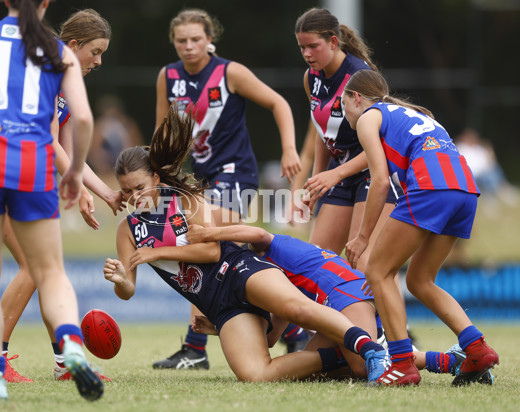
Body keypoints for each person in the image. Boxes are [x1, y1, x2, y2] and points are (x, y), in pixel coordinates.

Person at [103, 105, 390, 383]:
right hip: (218, 305)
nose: (133, 197)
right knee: (255, 374)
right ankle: (340, 356)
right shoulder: (127, 230)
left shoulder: (183, 199)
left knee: (297, 310)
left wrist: (156, 252)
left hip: (238, 269)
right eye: (126, 190)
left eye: (139, 188)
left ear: (155, 178)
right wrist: (120, 280)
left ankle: (371, 349)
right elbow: (127, 290)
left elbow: (210, 250)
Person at [0, 0, 103, 401]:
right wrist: (76, 172)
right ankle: (72, 349)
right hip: (31, 166)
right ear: (46, 4)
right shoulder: (59, 50)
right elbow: (82, 120)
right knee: (50, 271)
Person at [0, 8, 118, 383]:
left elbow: (69, 149)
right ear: (73, 45)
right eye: (96, 52)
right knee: (36, 269)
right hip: (0, 174)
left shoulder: (62, 77)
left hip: (21, 177)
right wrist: (76, 183)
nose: (99, 61)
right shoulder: (47, 66)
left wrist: (105, 193)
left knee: (45, 271)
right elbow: (48, 138)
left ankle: (63, 363)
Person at [153, 8, 303, 368]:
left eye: (195, 39)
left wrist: (288, 149)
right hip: (200, 178)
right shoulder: (168, 76)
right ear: (174, 43)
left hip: (237, 173)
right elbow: (162, 131)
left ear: (209, 39)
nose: (188, 47)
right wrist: (158, 176)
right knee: (226, 254)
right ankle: (293, 327)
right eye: (181, 41)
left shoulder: (228, 72)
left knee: (201, 241)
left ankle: (195, 347)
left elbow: (278, 103)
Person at [342, 69, 499, 386]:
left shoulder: (368, 117)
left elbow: (380, 180)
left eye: (343, 103)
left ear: (356, 98)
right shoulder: (412, 113)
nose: (344, 112)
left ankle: (402, 364)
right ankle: (477, 349)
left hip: (431, 188)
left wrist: (361, 238)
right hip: (465, 191)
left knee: (377, 271)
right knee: (419, 280)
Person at [185, 223, 494, 383]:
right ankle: (448, 360)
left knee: (361, 365)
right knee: (310, 370)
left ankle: (445, 360)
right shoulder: (275, 280)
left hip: (346, 292)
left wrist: (211, 233)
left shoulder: (268, 251)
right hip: (342, 299)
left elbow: (255, 232)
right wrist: (215, 328)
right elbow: (271, 337)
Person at [291, 8, 402, 272]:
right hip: (340, 176)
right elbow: (323, 132)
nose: (307, 54)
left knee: (364, 263)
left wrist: (334, 174)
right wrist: (316, 183)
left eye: (313, 46)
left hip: (372, 174)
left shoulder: (360, 78)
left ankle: (383, 315)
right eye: (301, 47)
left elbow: (383, 147)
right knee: (314, 266)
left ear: (333, 41)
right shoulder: (311, 78)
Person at [88, 94, 145, 177]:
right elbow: (93, 150)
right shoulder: (99, 126)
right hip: (107, 162)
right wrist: (101, 165)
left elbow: (138, 145)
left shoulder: (128, 124)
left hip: (126, 158)